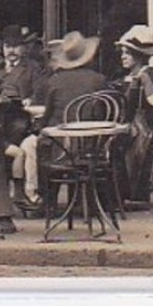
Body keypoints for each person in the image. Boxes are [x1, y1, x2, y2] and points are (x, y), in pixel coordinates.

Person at [10, 32, 107, 208]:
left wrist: (36, 127)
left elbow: (46, 120)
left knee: (30, 144)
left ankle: (42, 198)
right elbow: (103, 113)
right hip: (91, 148)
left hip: (61, 149)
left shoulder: (54, 82)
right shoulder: (99, 80)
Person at [116, 25, 153, 206]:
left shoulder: (149, 74)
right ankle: (123, 192)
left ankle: (134, 194)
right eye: (122, 53)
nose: (123, 56)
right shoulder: (128, 76)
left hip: (151, 128)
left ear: (139, 56)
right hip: (136, 127)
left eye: (127, 53)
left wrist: (144, 80)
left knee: (119, 142)